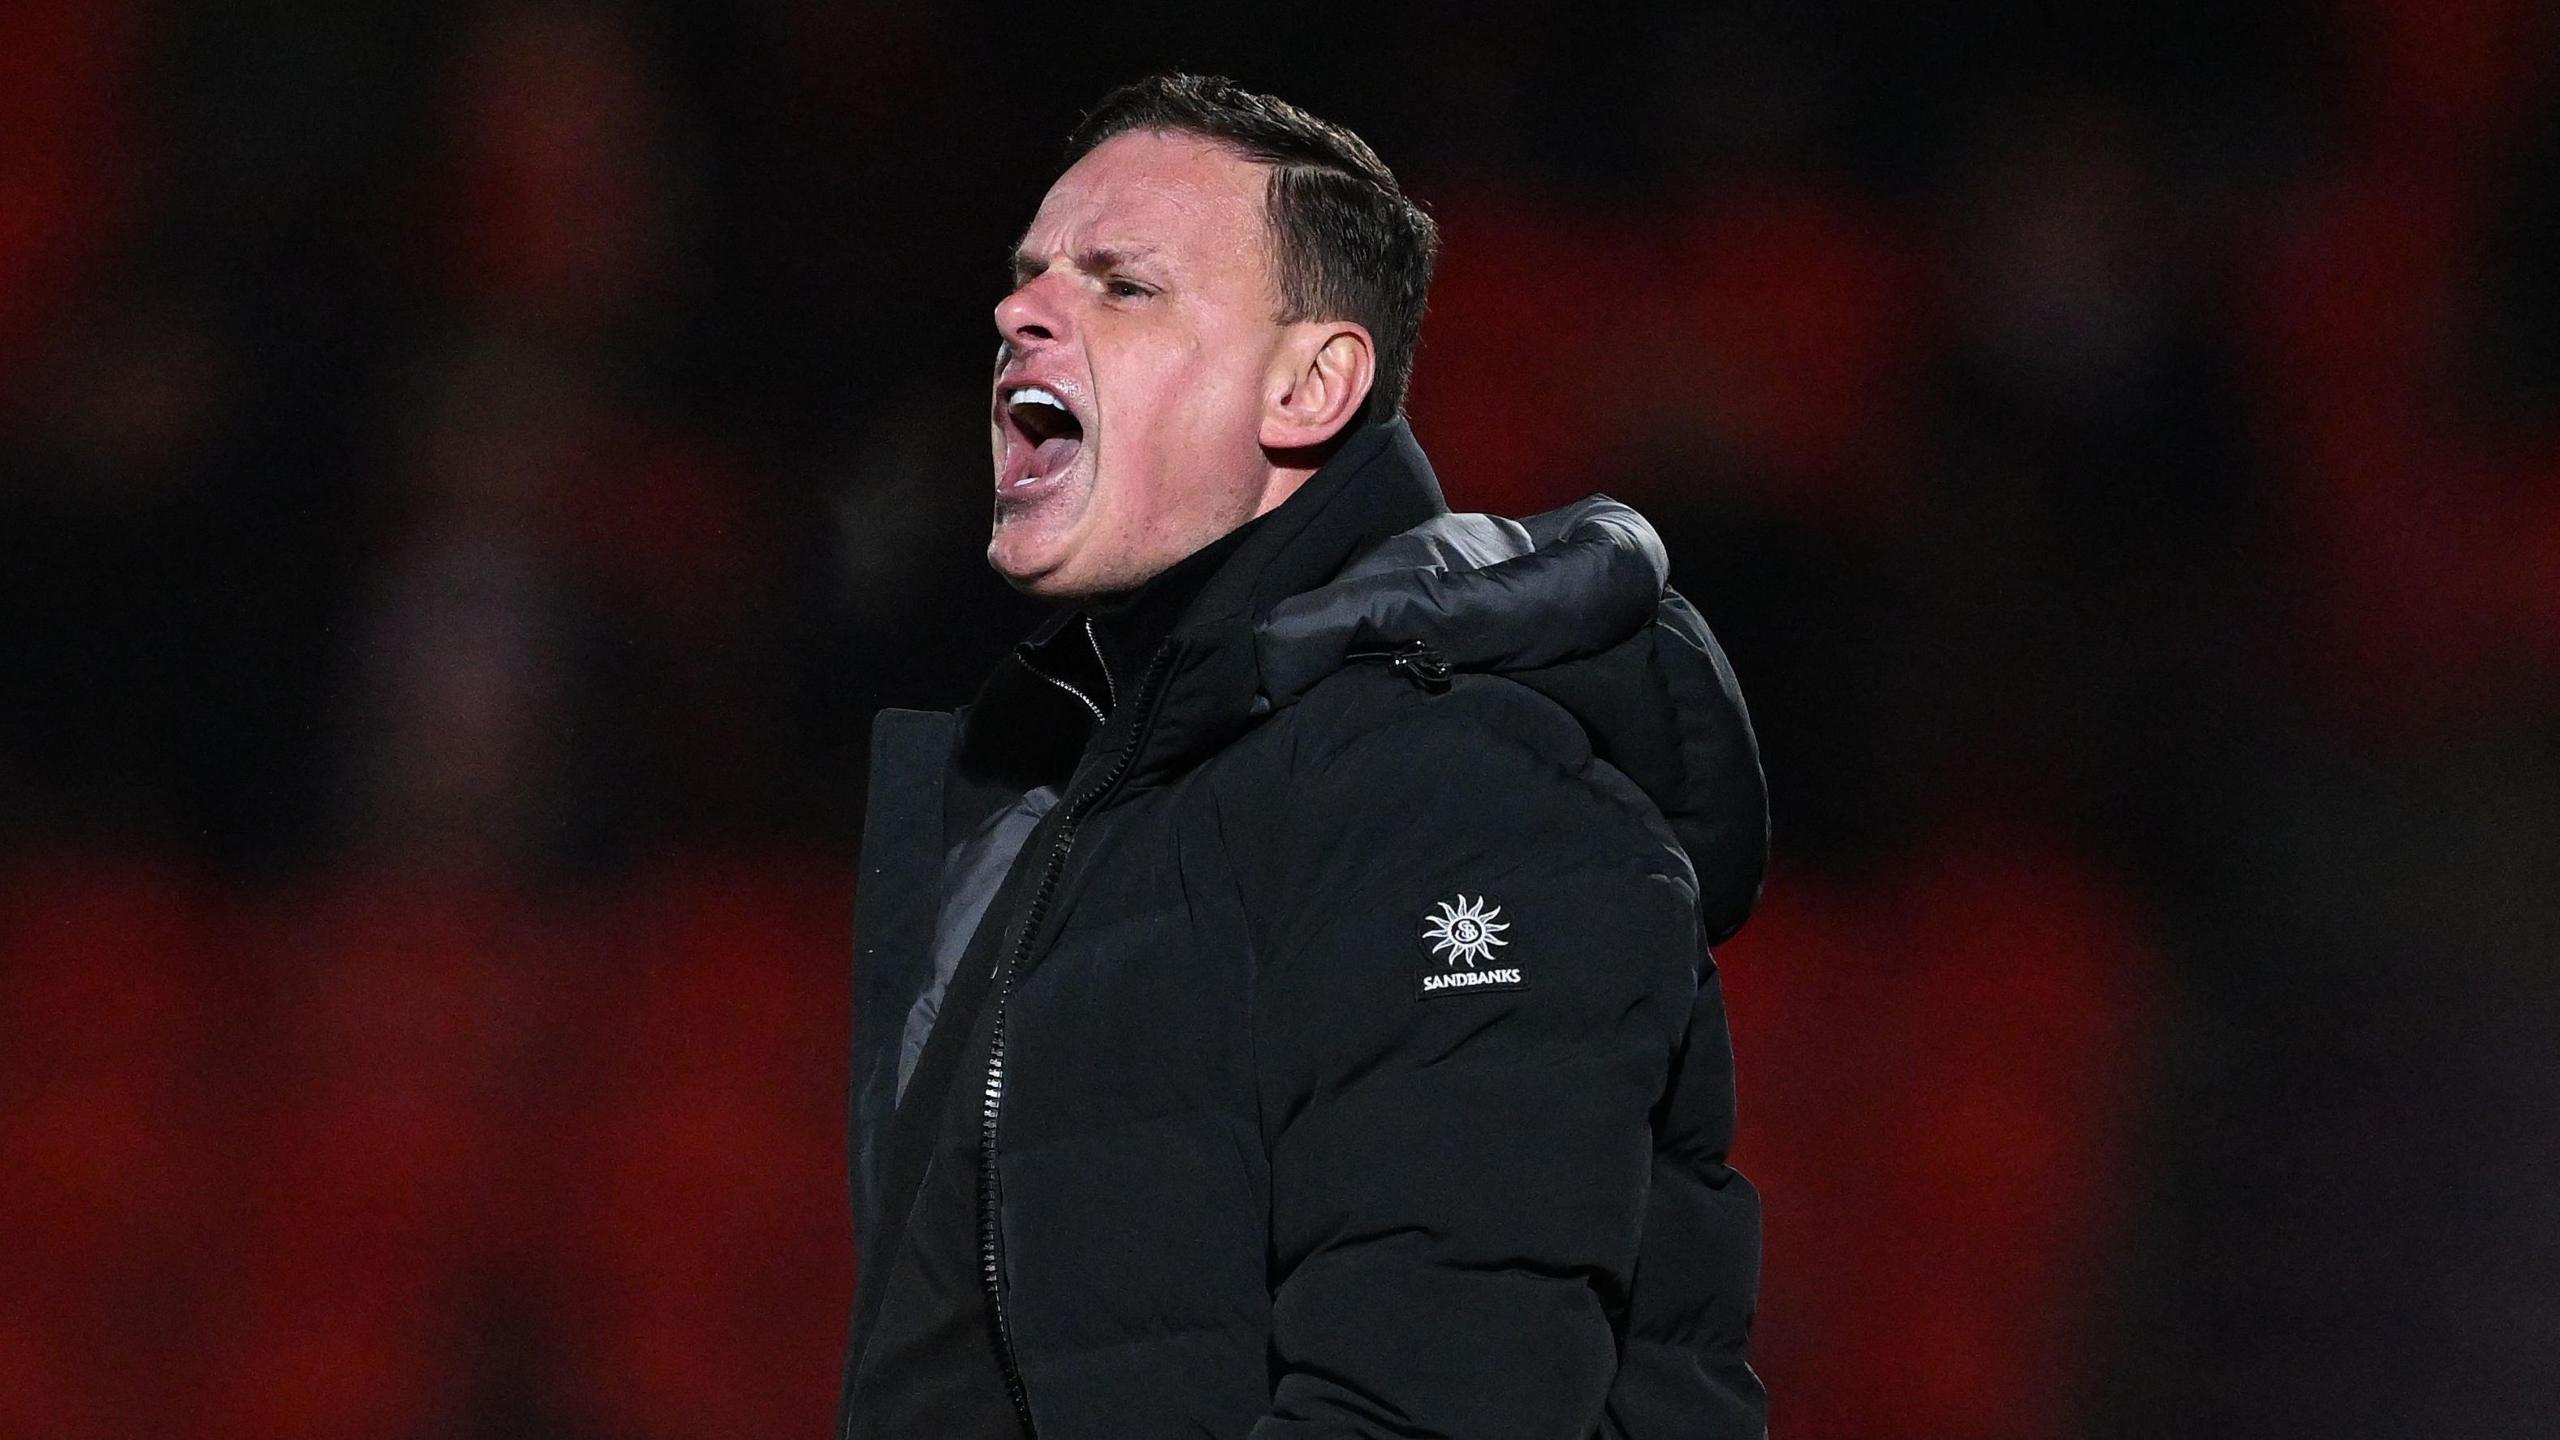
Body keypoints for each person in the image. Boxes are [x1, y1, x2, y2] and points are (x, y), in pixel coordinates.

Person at [836, 73, 1770, 1440]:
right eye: (1029, 274)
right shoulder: (1053, 810)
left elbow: (1434, 1404)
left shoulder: (1456, 789)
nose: (1020, 312)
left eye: (1122, 283)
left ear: (1313, 383)